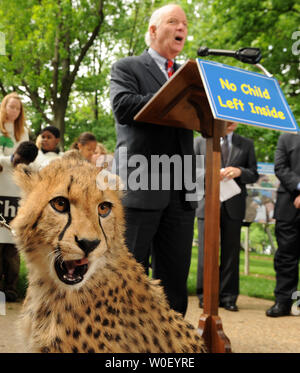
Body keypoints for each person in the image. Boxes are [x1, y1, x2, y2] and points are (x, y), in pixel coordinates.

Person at [110, 4, 196, 316]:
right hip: (141, 185)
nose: (181, 28)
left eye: (185, 24)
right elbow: (123, 106)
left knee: (174, 279)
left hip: (181, 192)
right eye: (173, 22)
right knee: (128, 276)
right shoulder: (127, 67)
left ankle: (172, 344)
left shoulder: (191, 77)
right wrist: (176, 96)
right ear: (153, 30)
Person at [195, 122, 259, 311]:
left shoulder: (246, 144)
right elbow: (191, 172)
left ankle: (228, 297)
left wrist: (240, 172)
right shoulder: (200, 142)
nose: (230, 124)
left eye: (234, 120)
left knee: (231, 252)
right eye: (226, 120)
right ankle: (204, 295)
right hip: (207, 203)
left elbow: (254, 173)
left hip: (234, 205)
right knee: (205, 252)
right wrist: (210, 173)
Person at [266, 133, 300, 317]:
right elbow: (280, 167)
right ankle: (284, 303)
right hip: (288, 208)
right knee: (286, 257)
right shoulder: (286, 138)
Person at [0, 141, 38, 301]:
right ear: (14, 152)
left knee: (12, 258)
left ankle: (11, 289)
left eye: (24, 163)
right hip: (1, 216)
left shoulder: (33, 171)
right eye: (17, 160)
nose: (19, 165)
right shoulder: (2, 163)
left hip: (14, 221)